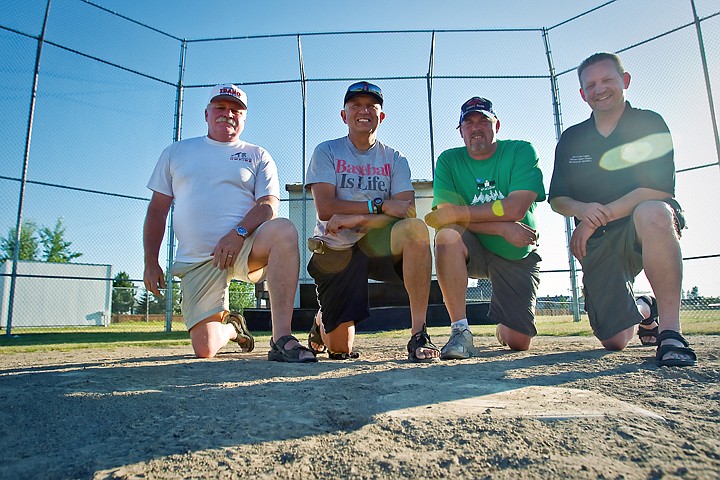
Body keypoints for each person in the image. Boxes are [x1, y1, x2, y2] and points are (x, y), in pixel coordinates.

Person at [143, 83, 316, 363]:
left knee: (284, 229)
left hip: (245, 246)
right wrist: (151, 261)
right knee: (205, 348)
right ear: (206, 113)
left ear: (244, 117)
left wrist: (238, 233)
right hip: (199, 260)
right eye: (220, 108)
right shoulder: (176, 152)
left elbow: (269, 205)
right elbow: (157, 211)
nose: (228, 114)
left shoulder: (257, 154)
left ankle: (281, 338)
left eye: (236, 109)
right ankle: (232, 329)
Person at [548, 52, 696, 367]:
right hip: (599, 241)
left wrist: (591, 220)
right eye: (591, 84)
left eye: (607, 80)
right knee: (614, 339)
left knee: (653, 210)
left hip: (641, 231)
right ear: (582, 94)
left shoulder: (648, 123)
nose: (599, 89)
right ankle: (645, 308)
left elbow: (657, 190)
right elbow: (558, 198)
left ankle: (671, 332)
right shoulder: (572, 138)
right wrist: (582, 209)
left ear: (625, 81)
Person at [305, 81, 440, 362]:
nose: (363, 110)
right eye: (356, 105)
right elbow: (326, 208)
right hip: (337, 249)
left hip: (378, 242)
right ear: (344, 115)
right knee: (340, 348)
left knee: (415, 231)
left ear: (381, 116)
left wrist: (359, 215)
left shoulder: (395, 158)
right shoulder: (327, 151)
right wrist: (381, 207)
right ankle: (321, 322)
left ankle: (419, 334)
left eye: (371, 106)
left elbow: (408, 210)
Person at [425, 97, 545, 357]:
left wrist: (460, 213)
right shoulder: (449, 160)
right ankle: (460, 331)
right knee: (446, 236)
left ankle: (504, 326)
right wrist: (502, 228)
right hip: (477, 247)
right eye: (468, 123)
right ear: (461, 131)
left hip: (515, 251)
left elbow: (515, 209)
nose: (476, 127)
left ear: (497, 125)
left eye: (483, 121)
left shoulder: (521, 151)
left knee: (518, 341)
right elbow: (445, 219)